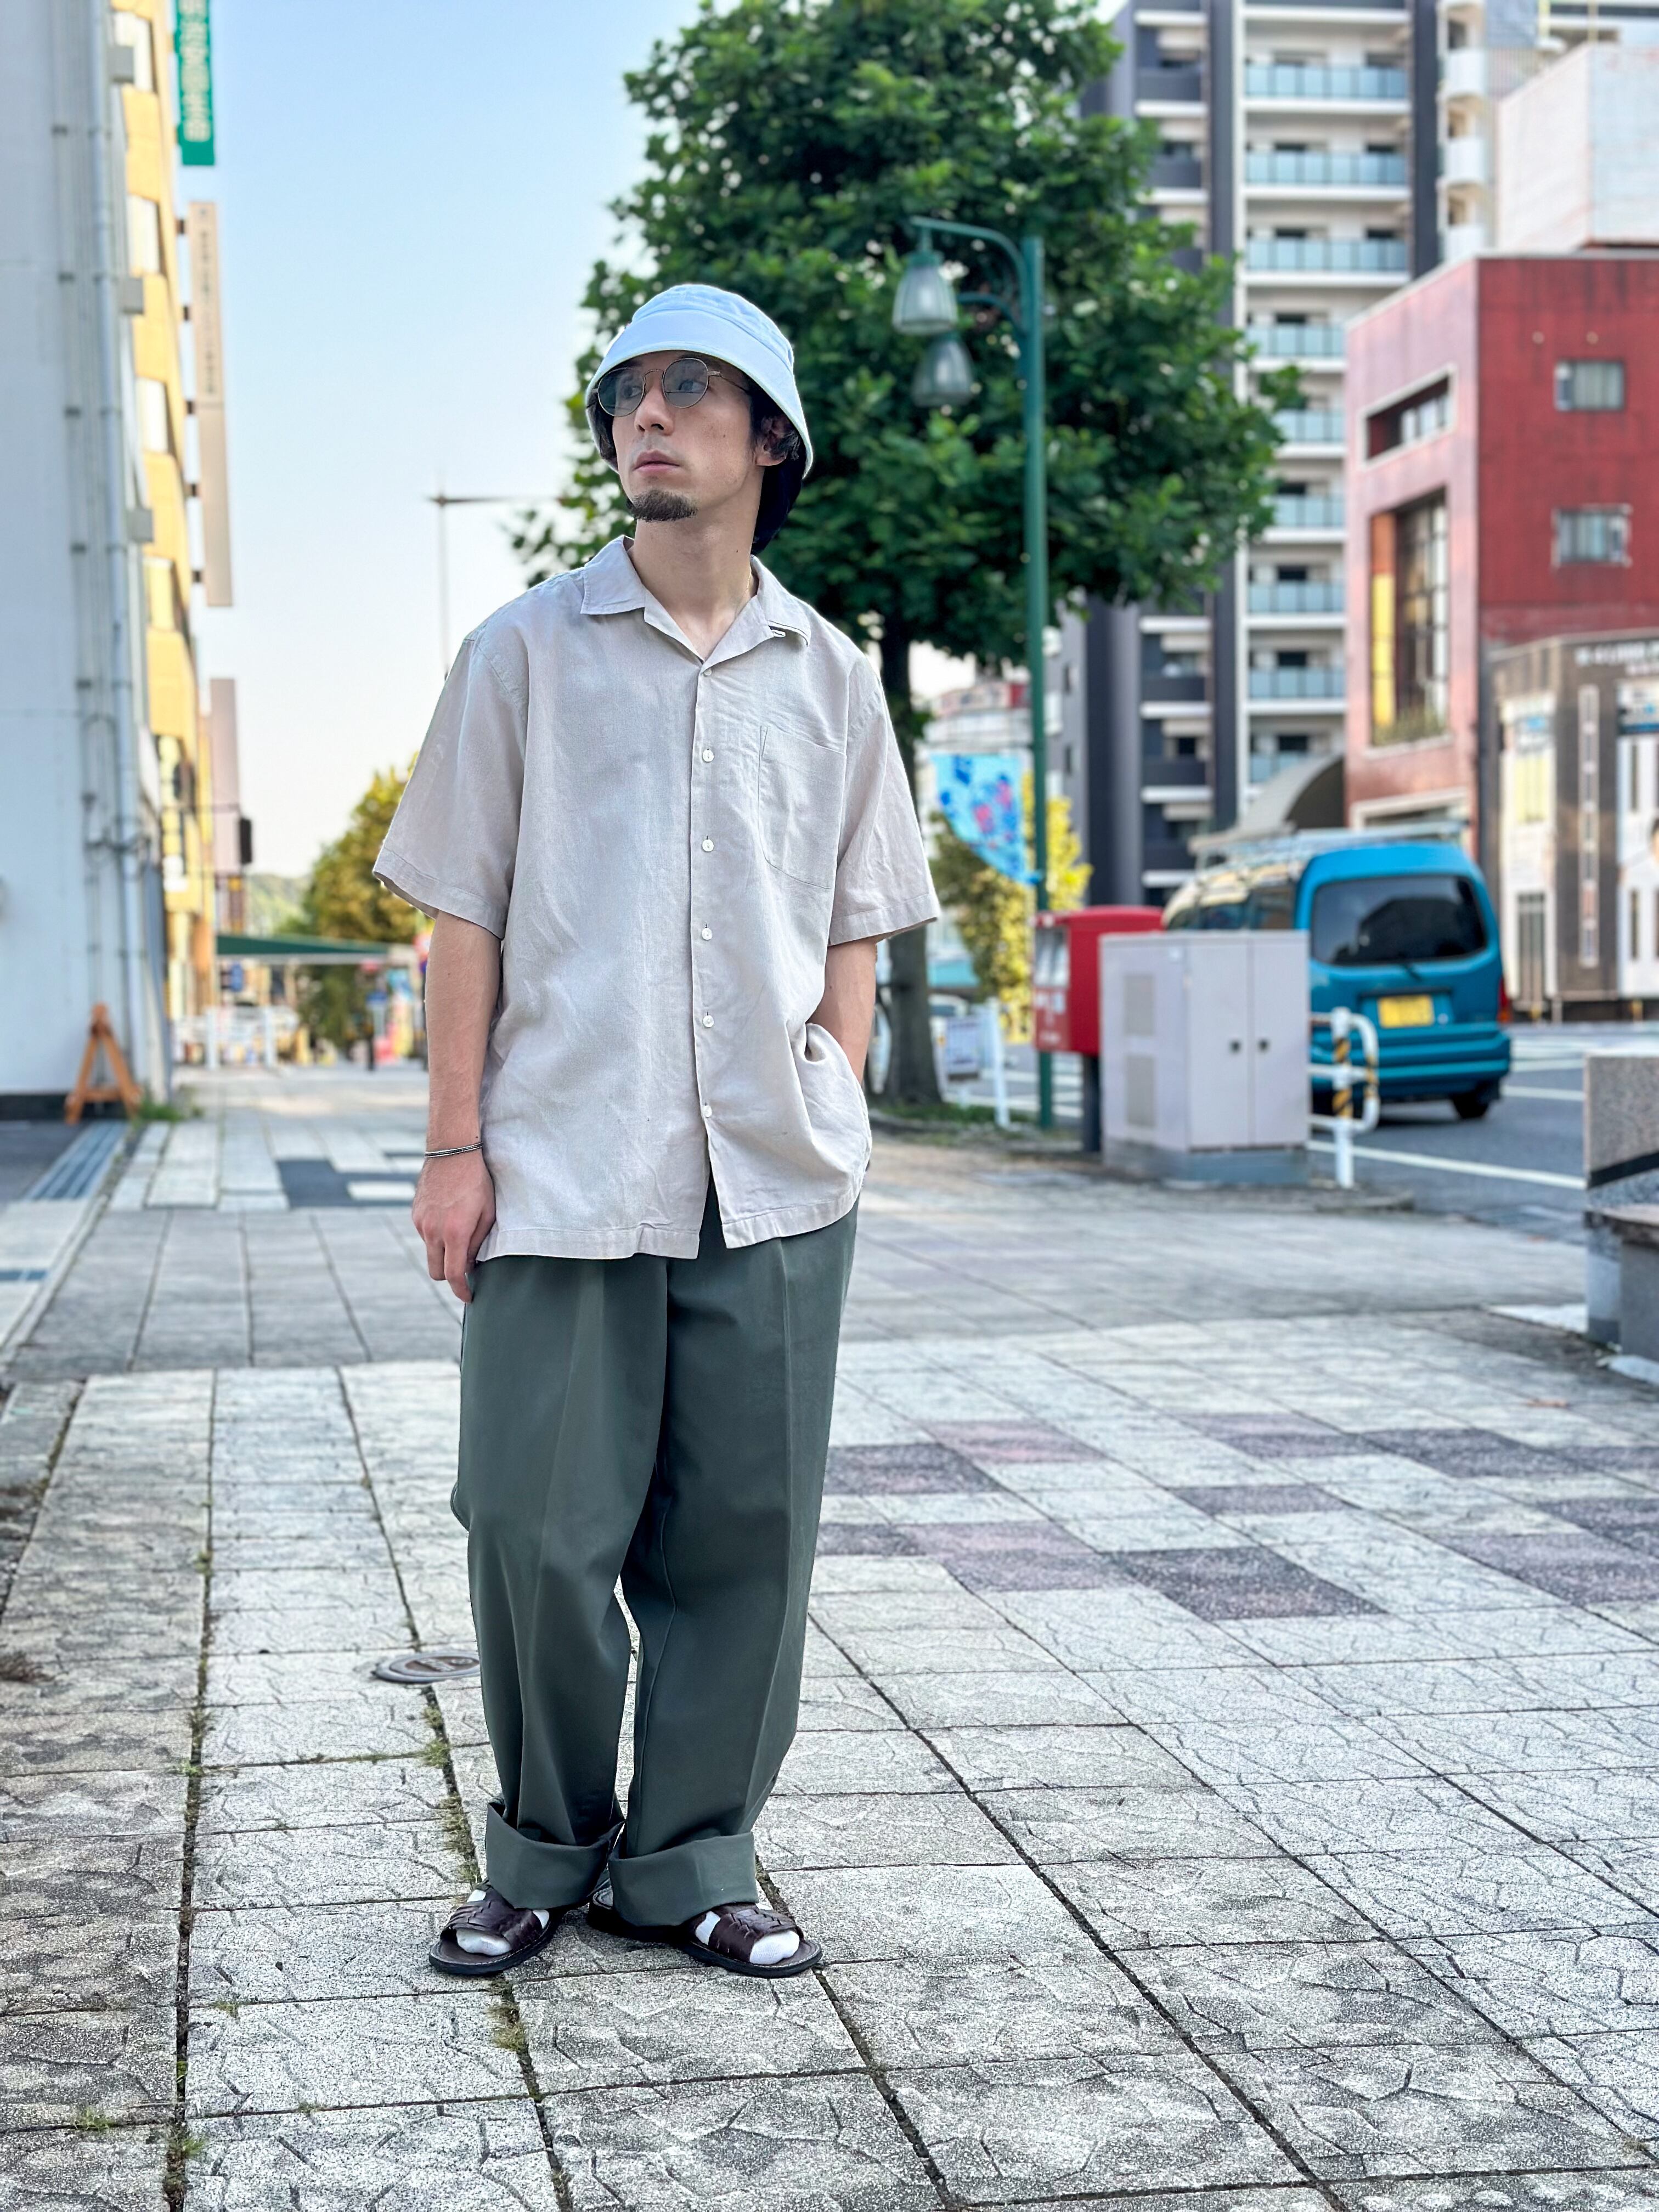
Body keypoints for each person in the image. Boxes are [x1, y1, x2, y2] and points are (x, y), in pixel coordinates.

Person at [374, 284, 937, 1980]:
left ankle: (693, 1862)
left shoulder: (831, 678)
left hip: (774, 1178)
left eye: (692, 389)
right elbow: (461, 914)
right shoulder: (524, 655)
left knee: (747, 1543)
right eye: (629, 392)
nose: (649, 416)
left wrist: (836, 1085)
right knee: (532, 1530)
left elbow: (858, 914)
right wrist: (454, 1151)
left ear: (769, 435)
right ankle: (544, 1852)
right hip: (562, 1163)